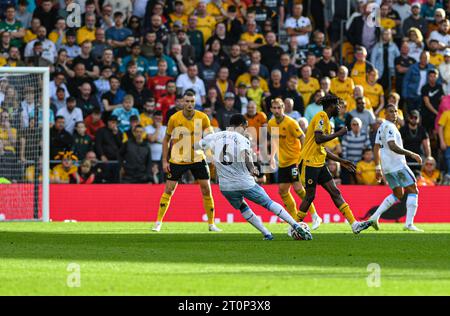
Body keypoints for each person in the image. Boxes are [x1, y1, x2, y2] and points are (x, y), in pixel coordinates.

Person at [196, 113, 312, 240]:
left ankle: (267, 234)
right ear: (242, 125)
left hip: (225, 187)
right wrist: (252, 168)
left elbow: (195, 146)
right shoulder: (241, 138)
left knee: (242, 207)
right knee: (268, 203)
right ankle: (296, 226)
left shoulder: (214, 136)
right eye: (245, 127)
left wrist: (209, 155)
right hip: (244, 182)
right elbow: (245, 154)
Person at [297, 95, 373, 234]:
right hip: (308, 163)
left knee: (335, 191)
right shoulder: (321, 116)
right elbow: (319, 139)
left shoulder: (326, 120)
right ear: (331, 106)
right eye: (338, 105)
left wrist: (341, 160)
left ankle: (354, 224)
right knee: (310, 196)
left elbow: (321, 148)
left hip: (319, 162)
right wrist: (339, 133)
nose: (340, 108)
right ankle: (295, 226)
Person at [153, 90, 220, 233]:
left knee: (206, 189)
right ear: (182, 102)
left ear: (195, 102)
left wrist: (211, 154)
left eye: (192, 101)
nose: (189, 104)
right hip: (178, 159)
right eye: (187, 101)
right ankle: (158, 222)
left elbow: (210, 137)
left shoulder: (203, 117)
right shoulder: (174, 118)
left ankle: (211, 224)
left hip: (197, 158)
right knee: (169, 190)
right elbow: (166, 140)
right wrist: (164, 161)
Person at [268, 98, 322, 230]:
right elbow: (275, 141)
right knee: (283, 191)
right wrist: (272, 157)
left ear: (283, 108)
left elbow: (302, 137)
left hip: (294, 161)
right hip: (283, 162)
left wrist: (302, 158)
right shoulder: (271, 123)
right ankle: (294, 221)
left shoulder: (291, 123)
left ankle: (315, 216)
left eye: (279, 107)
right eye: (274, 108)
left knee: (298, 189)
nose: (277, 110)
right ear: (271, 109)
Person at [370, 104, 424, 232]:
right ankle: (409, 224)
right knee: (413, 190)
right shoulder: (390, 127)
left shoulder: (381, 127)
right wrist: (411, 154)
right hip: (398, 165)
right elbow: (392, 145)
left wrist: (378, 167)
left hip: (387, 167)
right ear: (385, 113)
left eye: (395, 111)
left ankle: (374, 217)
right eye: (391, 111)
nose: (394, 114)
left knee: (398, 194)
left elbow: (376, 146)